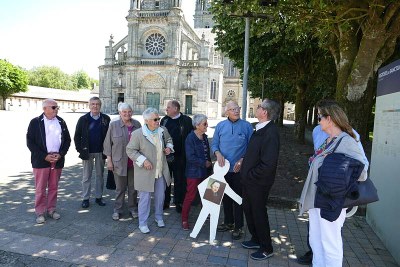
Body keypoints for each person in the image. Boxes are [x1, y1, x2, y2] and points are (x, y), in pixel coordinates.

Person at [297, 101, 369, 265]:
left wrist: (335, 165)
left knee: (330, 244)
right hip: (317, 199)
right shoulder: (329, 140)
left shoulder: (347, 141)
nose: (318, 120)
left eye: (320, 117)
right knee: (316, 241)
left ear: (329, 119)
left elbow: (362, 172)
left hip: (332, 200)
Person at [240, 99, 280, 261]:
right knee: (249, 210)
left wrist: (250, 175)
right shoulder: (260, 128)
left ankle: (266, 247)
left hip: (258, 182)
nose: (256, 109)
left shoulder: (271, 132)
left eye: (259, 107)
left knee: (258, 213)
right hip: (250, 181)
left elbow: (268, 164)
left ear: (265, 112)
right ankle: (256, 239)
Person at [126, 108, 173, 234]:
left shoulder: (163, 130)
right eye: (155, 119)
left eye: (158, 118)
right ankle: (143, 223)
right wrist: (143, 160)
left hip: (160, 171)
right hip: (145, 172)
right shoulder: (138, 134)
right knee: (145, 199)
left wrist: (169, 148)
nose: (158, 121)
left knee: (160, 196)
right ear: (146, 121)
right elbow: (130, 150)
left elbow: (169, 140)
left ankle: (158, 217)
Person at [211, 100, 253, 240]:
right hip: (222, 170)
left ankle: (238, 226)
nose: (236, 111)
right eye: (233, 109)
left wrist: (243, 159)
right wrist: (217, 153)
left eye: (238, 108)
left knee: (238, 198)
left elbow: (252, 148)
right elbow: (215, 143)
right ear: (227, 111)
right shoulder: (220, 126)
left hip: (238, 170)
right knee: (224, 197)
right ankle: (228, 222)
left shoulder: (247, 127)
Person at [26, 99, 71, 224]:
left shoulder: (61, 121)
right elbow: (30, 143)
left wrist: (61, 154)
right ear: (44, 109)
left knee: (53, 187)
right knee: (40, 188)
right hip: (41, 160)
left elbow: (67, 140)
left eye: (57, 107)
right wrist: (44, 156)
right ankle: (40, 212)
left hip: (57, 160)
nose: (56, 109)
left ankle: (51, 209)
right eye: (54, 107)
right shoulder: (35, 122)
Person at [103, 103, 141, 221]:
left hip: (134, 163)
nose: (127, 114)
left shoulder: (137, 124)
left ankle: (133, 208)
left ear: (132, 112)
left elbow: (142, 143)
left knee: (133, 188)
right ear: (120, 113)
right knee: (120, 188)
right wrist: (109, 161)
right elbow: (107, 144)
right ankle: (118, 209)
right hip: (118, 162)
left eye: (129, 111)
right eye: (124, 112)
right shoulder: (113, 125)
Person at [74, 97, 110, 209]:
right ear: (89, 105)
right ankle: (85, 198)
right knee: (86, 176)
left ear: (100, 106)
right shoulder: (83, 119)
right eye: (93, 104)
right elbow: (77, 136)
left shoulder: (105, 118)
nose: (95, 106)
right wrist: (80, 149)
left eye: (97, 104)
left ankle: (98, 197)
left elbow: (109, 135)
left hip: (101, 152)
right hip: (87, 152)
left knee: (100, 176)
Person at [160, 100, 193, 213]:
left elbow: (190, 137)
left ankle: (179, 202)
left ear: (175, 109)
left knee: (180, 180)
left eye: (168, 107)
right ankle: (165, 201)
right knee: (166, 180)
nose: (166, 109)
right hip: (167, 157)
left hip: (181, 157)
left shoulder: (187, 120)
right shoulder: (164, 120)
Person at [181, 114, 212, 230]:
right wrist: (204, 163)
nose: (207, 125)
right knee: (190, 196)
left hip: (205, 171)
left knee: (207, 194)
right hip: (193, 172)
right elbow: (190, 157)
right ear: (197, 125)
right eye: (205, 123)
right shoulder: (190, 138)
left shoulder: (204, 137)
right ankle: (184, 219)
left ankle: (206, 213)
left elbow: (207, 154)